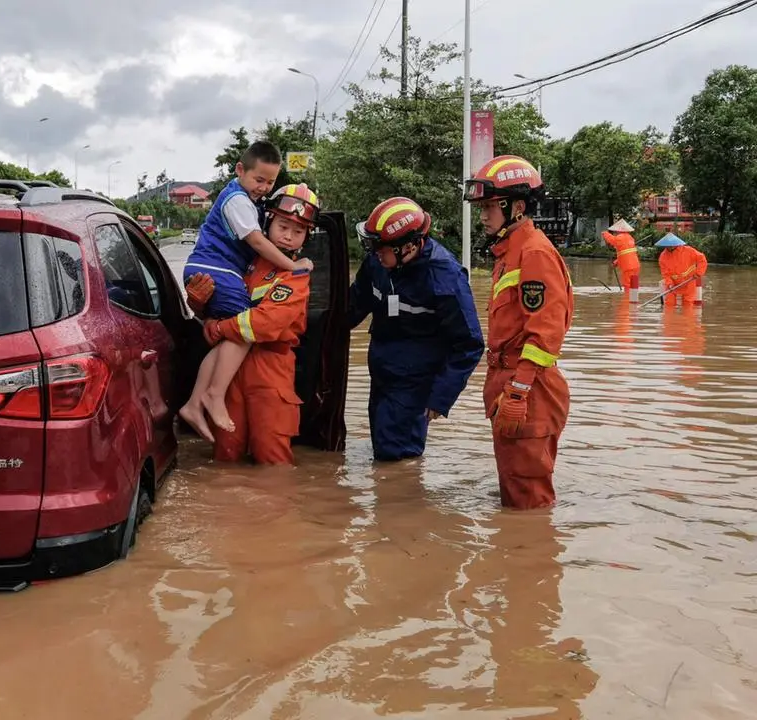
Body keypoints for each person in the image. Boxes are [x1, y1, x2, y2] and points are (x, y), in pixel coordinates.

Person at [178, 141, 315, 442]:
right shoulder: (250, 257)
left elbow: (260, 324)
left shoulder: (293, 275)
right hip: (234, 381)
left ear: (307, 236)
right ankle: (207, 397)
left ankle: (200, 400)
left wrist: (216, 328)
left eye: (298, 230)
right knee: (226, 458)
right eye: (282, 226)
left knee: (272, 458)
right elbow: (254, 244)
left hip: (269, 377)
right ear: (268, 223)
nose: (288, 236)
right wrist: (201, 310)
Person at [464, 154, 574, 510]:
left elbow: (545, 333)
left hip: (528, 390)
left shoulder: (534, 253)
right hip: (511, 385)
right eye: (481, 207)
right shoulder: (509, 253)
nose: (483, 215)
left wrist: (519, 391)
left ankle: (529, 561)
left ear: (518, 207)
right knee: (514, 490)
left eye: (491, 206)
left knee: (529, 504)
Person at [348, 197, 485, 462]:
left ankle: (404, 498)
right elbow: (353, 305)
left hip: (415, 382)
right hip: (382, 372)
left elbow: (469, 344)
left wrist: (440, 397)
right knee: (382, 445)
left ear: (408, 246)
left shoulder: (444, 277)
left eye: (380, 247)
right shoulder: (378, 263)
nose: (374, 252)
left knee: (397, 459)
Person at [655, 232, 708, 306]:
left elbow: (702, 260)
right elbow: (665, 274)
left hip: (689, 280)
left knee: (688, 304)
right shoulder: (663, 257)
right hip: (673, 283)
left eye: (671, 245)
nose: (670, 247)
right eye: (668, 245)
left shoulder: (689, 251)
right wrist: (670, 283)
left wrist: (699, 273)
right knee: (669, 303)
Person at [601, 219, 641, 300]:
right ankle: (634, 300)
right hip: (635, 265)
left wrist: (605, 234)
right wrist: (617, 262)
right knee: (634, 285)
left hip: (628, 266)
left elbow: (612, 241)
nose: (615, 232)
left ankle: (627, 302)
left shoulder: (620, 237)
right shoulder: (630, 238)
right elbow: (625, 253)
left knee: (627, 284)